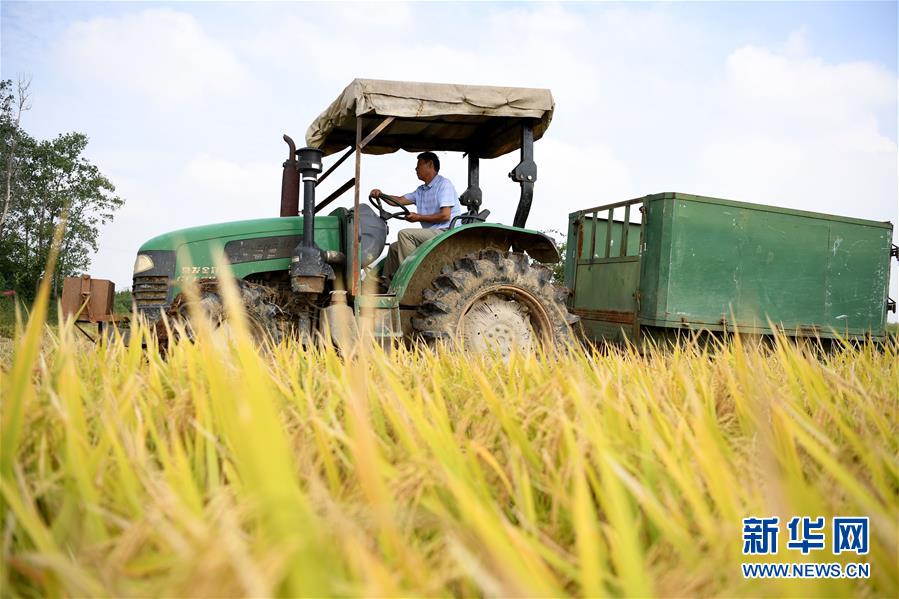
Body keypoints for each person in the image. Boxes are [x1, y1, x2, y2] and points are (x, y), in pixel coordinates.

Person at [370, 151, 462, 284]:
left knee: (405, 235)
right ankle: (387, 284)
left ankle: (413, 280)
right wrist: (381, 195)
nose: (416, 169)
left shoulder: (444, 184)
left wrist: (418, 217)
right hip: (432, 234)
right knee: (395, 247)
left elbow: (445, 216)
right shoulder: (421, 190)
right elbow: (399, 200)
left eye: (419, 165)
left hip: (446, 231)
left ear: (430, 165)